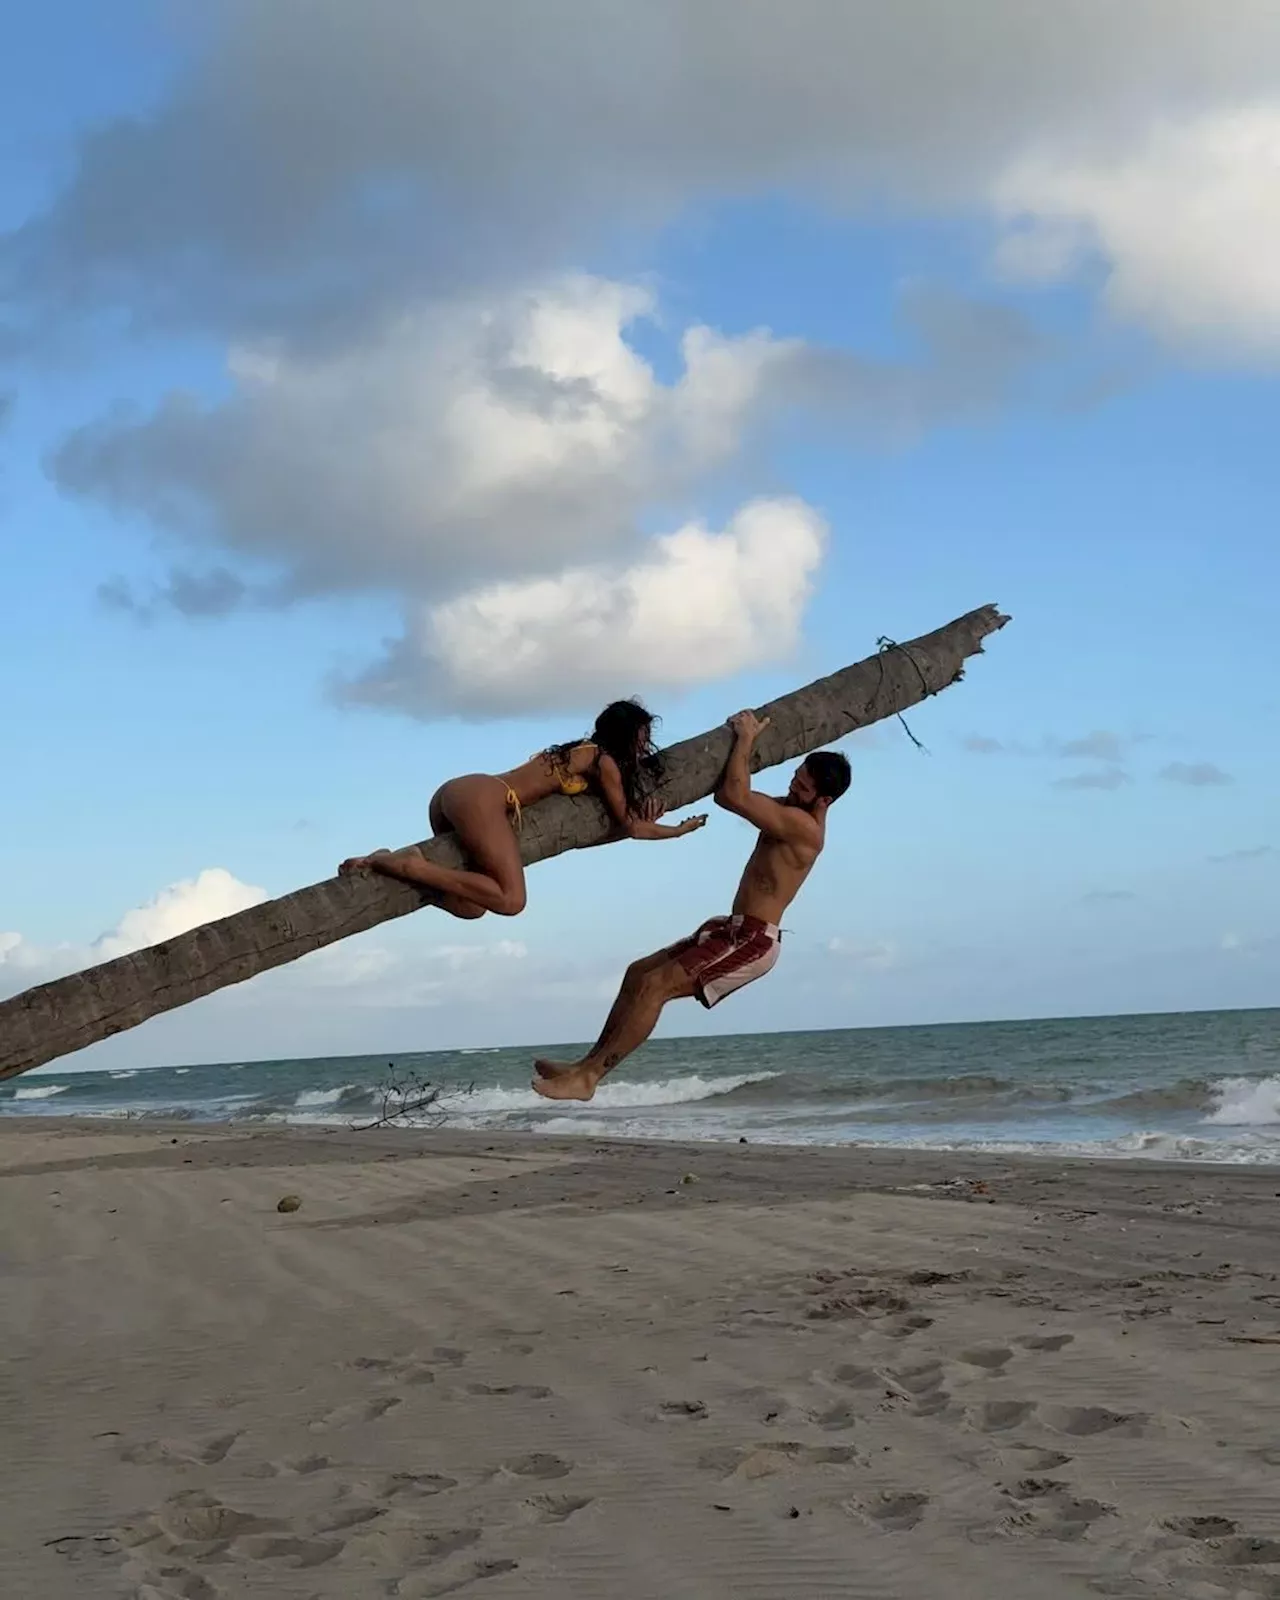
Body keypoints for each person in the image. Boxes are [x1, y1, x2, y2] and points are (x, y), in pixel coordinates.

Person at [532, 709, 850, 1100]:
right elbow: (728, 793)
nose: (792, 788)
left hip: (752, 941)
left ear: (825, 799)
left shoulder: (804, 828)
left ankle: (590, 1078)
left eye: (801, 788)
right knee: (638, 973)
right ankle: (584, 1066)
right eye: (794, 778)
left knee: (654, 987)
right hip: (731, 927)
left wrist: (746, 738)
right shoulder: (791, 810)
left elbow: (735, 794)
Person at [339, 698, 706, 919]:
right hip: (483, 798)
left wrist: (638, 817)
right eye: (642, 738)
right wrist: (677, 830)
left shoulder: (580, 751)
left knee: (472, 907)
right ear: (626, 735)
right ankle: (407, 863)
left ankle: (393, 865)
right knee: (512, 901)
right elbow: (631, 826)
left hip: (459, 794)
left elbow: (621, 823)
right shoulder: (603, 761)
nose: (645, 746)